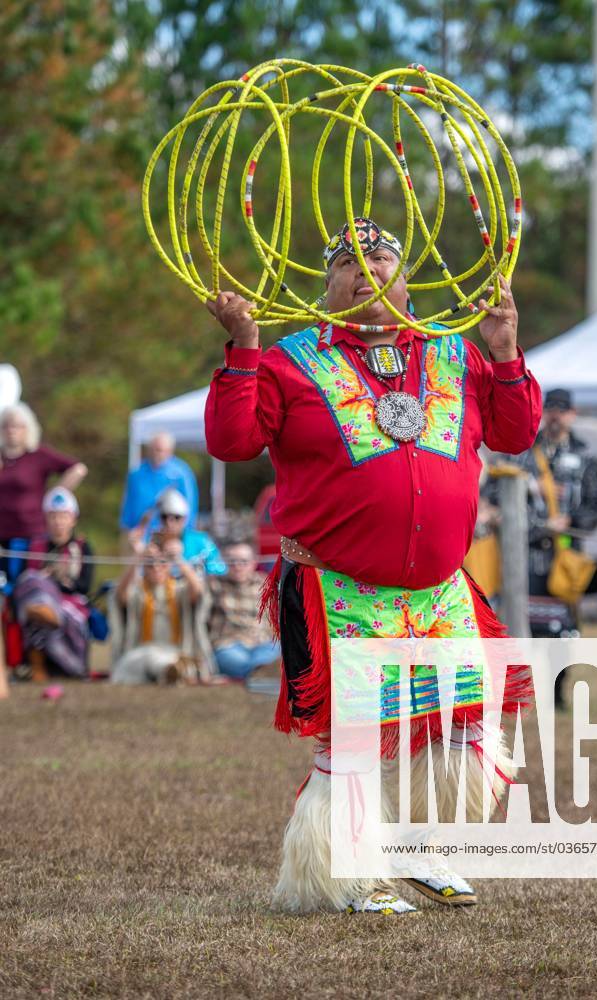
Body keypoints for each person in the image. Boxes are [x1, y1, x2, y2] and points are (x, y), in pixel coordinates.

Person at [205, 216, 541, 914]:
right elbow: (230, 441)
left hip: (437, 589)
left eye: (380, 256)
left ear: (405, 273)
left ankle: (418, 849)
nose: (365, 269)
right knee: (356, 738)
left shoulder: (455, 353)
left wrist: (505, 354)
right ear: (325, 287)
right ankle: (351, 877)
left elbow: (514, 433)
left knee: (449, 726)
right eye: (346, 263)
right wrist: (242, 349)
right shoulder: (287, 360)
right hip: (337, 587)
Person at [488, 387, 597, 638]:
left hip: (565, 556)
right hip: (523, 555)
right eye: (550, 410)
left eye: (562, 411)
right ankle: (524, 677)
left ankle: (559, 679)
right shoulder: (521, 454)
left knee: (563, 633)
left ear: (573, 414)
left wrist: (571, 521)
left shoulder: (586, 457)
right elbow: (493, 493)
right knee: (520, 627)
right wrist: (531, 488)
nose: (556, 416)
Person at [0, 403, 87, 582]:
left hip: (28, 534)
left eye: (17, 425)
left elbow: (78, 469)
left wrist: (54, 495)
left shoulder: (38, 455)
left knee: (21, 584)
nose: (11, 430)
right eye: (7, 425)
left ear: (28, 428)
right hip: (1, 533)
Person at [14, 487, 93, 681]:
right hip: (36, 599)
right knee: (34, 585)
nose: (58, 522)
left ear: (73, 518)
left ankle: (62, 663)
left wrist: (59, 582)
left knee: (48, 610)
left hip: (69, 602)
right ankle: (37, 665)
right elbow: (25, 581)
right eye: (54, 516)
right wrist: (45, 578)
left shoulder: (82, 548)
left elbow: (84, 587)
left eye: (63, 516)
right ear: (46, 519)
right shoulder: (34, 547)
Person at [110, 540, 214, 684]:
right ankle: (170, 671)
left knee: (180, 661)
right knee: (149, 658)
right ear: (144, 568)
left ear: (170, 566)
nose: (157, 568)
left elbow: (198, 592)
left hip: (174, 651)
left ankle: (172, 671)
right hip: (143, 651)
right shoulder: (137, 591)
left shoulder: (179, 590)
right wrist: (139, 558)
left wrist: (178, 558)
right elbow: (119, 595)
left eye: (162, 563)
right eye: (150, 564)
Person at [207, 541, 280, 680]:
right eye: (232, 561)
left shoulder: (266, 583)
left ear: (254, 562)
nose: (238, 566)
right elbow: (193, 594)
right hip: (228, 644)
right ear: (224, 562)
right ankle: (258, 674)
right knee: (234, 660)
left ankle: (255, 673)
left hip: (262, 643)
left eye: (243, 561)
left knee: (272, 653)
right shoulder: (213, 584)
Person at [130, 488, 225, 576]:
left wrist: (180, 559)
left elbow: (219, 570)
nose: (169, 522)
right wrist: (139, 556)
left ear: (184, 518)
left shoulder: (201, 540)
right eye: (165, 517)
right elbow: (143, 578)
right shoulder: (152, 541)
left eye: (176, 517)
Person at [120, 432, 199, 534]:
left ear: (170, 451)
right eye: (153, 449)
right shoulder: (137, 473)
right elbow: (129, 503)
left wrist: (185, 532)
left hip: (169, 533)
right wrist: (126, 528)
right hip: (140, 533)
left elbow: (189, 505)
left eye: (160, 450)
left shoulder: (181, 473)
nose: (156, 453)